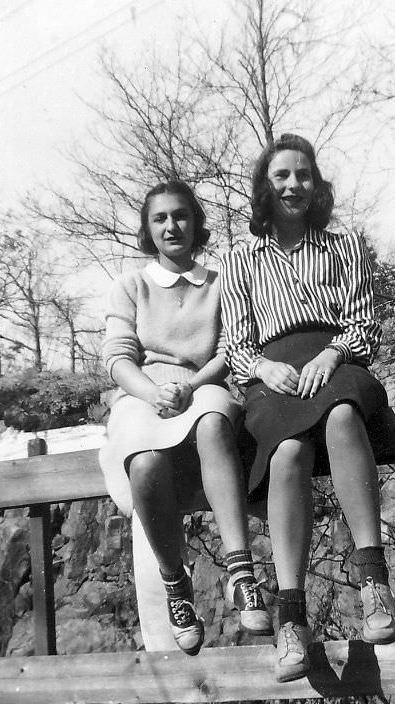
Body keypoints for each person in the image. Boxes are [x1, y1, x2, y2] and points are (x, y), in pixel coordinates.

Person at [220, 134, 395, 682]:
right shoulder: (240, 257)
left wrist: (333, 352)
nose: (294, 185)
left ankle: (375, 583)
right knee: (288, 452)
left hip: (336, 359)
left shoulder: (344, 245)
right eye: (281, 176)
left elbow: (364, 320)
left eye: (304, 175)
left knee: (343, 414)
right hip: (273, 372)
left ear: (316, 185)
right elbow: (233, 343)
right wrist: (263, 368)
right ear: (264, 187)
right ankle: (291, 618)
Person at [99, 180, 273, 656]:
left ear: (195, 223)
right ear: (148, 229)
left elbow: (230, 349)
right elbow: (117, 357)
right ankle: (176, 586)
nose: (171, 226)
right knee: (145, 462)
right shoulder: (130, 285)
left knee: (214, 421)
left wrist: (191, 387)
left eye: (180, 216)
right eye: (160, 219)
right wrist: (153, 392)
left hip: (204, 387)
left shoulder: (220, 283)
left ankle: (241, 573)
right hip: (142, 394)